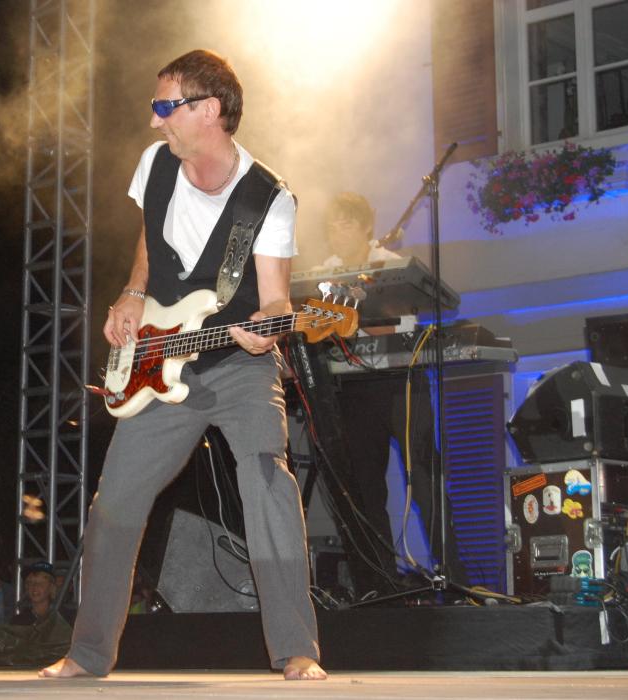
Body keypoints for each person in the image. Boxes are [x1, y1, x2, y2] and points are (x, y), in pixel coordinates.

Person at [41, 50, 323, 681]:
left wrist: (266, 330)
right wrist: (132, 294)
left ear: (209, 110)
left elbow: (277, 298)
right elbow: (151, 238)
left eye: (166, 106)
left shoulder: (268, 198)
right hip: (160, 362)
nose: (154, 120)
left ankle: (296, 649)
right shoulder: (156, 163)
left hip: (240, 365)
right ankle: (88, 654)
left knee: (267, 481)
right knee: (115, 501)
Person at [320, 192, 466, 594]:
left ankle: (456, 581)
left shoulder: (391, 266)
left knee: (424, 482)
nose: (338, 232)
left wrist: (353, 313)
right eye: (332, 226)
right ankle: (381, 586)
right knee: (366, 490)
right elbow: (317, 330)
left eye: (346, 223)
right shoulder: (324, 274)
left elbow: (392, 328)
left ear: (366, 226)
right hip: (353, 388)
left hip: (401, 384)